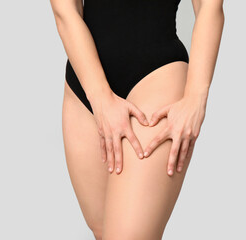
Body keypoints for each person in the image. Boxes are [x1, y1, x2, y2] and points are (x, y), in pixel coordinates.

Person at [50, 0, 224, 239]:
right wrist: (100, 99)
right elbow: (65, 10)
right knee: (103, 232)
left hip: (155, 78)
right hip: (84, 86)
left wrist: (196, 98)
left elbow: (209, 7)